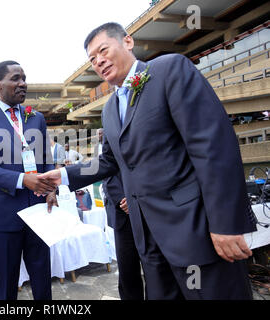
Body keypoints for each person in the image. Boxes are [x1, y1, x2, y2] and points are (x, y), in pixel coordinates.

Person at [39, 22, 256, 299]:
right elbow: (109, 161)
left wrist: (226, 224)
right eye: (92, 59)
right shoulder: (109, 110)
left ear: (128, 42)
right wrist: (63, 177)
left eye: (103, 50)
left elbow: (213, 146)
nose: (99, 61)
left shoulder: (169, 70)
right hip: (149, 242)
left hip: (195, 232)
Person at [0, 60, 57, 300]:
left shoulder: (36, 118)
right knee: (6, 283)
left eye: (24, 78)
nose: (23, 84)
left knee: (42, 278)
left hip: (39, 210)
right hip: (4, 214)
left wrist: (51, 189)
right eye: (16, 78)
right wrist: (22, 180)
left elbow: (45, 158)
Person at [98, 128, 144, 300]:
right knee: (127, 270)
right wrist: (123, 200)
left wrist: (138, 200)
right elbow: (108, 175)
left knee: (155, 270)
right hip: (122, 214)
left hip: (148, 209)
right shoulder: (111, 135)